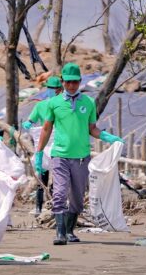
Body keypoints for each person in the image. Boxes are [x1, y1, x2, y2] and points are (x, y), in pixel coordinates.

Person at [36, 63, 124, 245]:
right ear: (62, 82)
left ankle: (69, 231)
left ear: (80, 82)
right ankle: (59, 234)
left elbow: (92, 128)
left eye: (75, 82)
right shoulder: (54, 103)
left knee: (77, 198)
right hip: (60, 156)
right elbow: (46, 129)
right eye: (68, 82)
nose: (71, 86)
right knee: (59, 193)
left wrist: (108, 137)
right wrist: (38, 153)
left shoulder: (88, 103)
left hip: (82, 158)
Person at [22, 76, 63, 216]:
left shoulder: (63, 104)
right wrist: (27, 124)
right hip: (45, 144)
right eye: (49, 88)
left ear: (59, 89)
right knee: (42, 176)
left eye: (53, 89)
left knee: (58, 177)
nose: (51, 91)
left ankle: (55, 205)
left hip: (58, 144)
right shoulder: (40, 106)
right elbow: (31, 120)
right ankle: (39, 207)